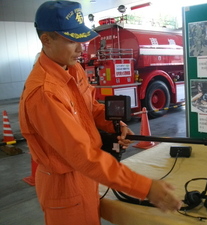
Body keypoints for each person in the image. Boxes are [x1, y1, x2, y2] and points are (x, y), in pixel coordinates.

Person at [18, 1, 182, 225]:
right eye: (71, 40)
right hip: (64, 186)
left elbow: (89, 107)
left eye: (81, 40)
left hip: (86, 177)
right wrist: (146, 187)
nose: (80, 48)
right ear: (46, 40)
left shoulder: (72, 69)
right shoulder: (45, 94)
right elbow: (82, 155)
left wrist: (112, 124)